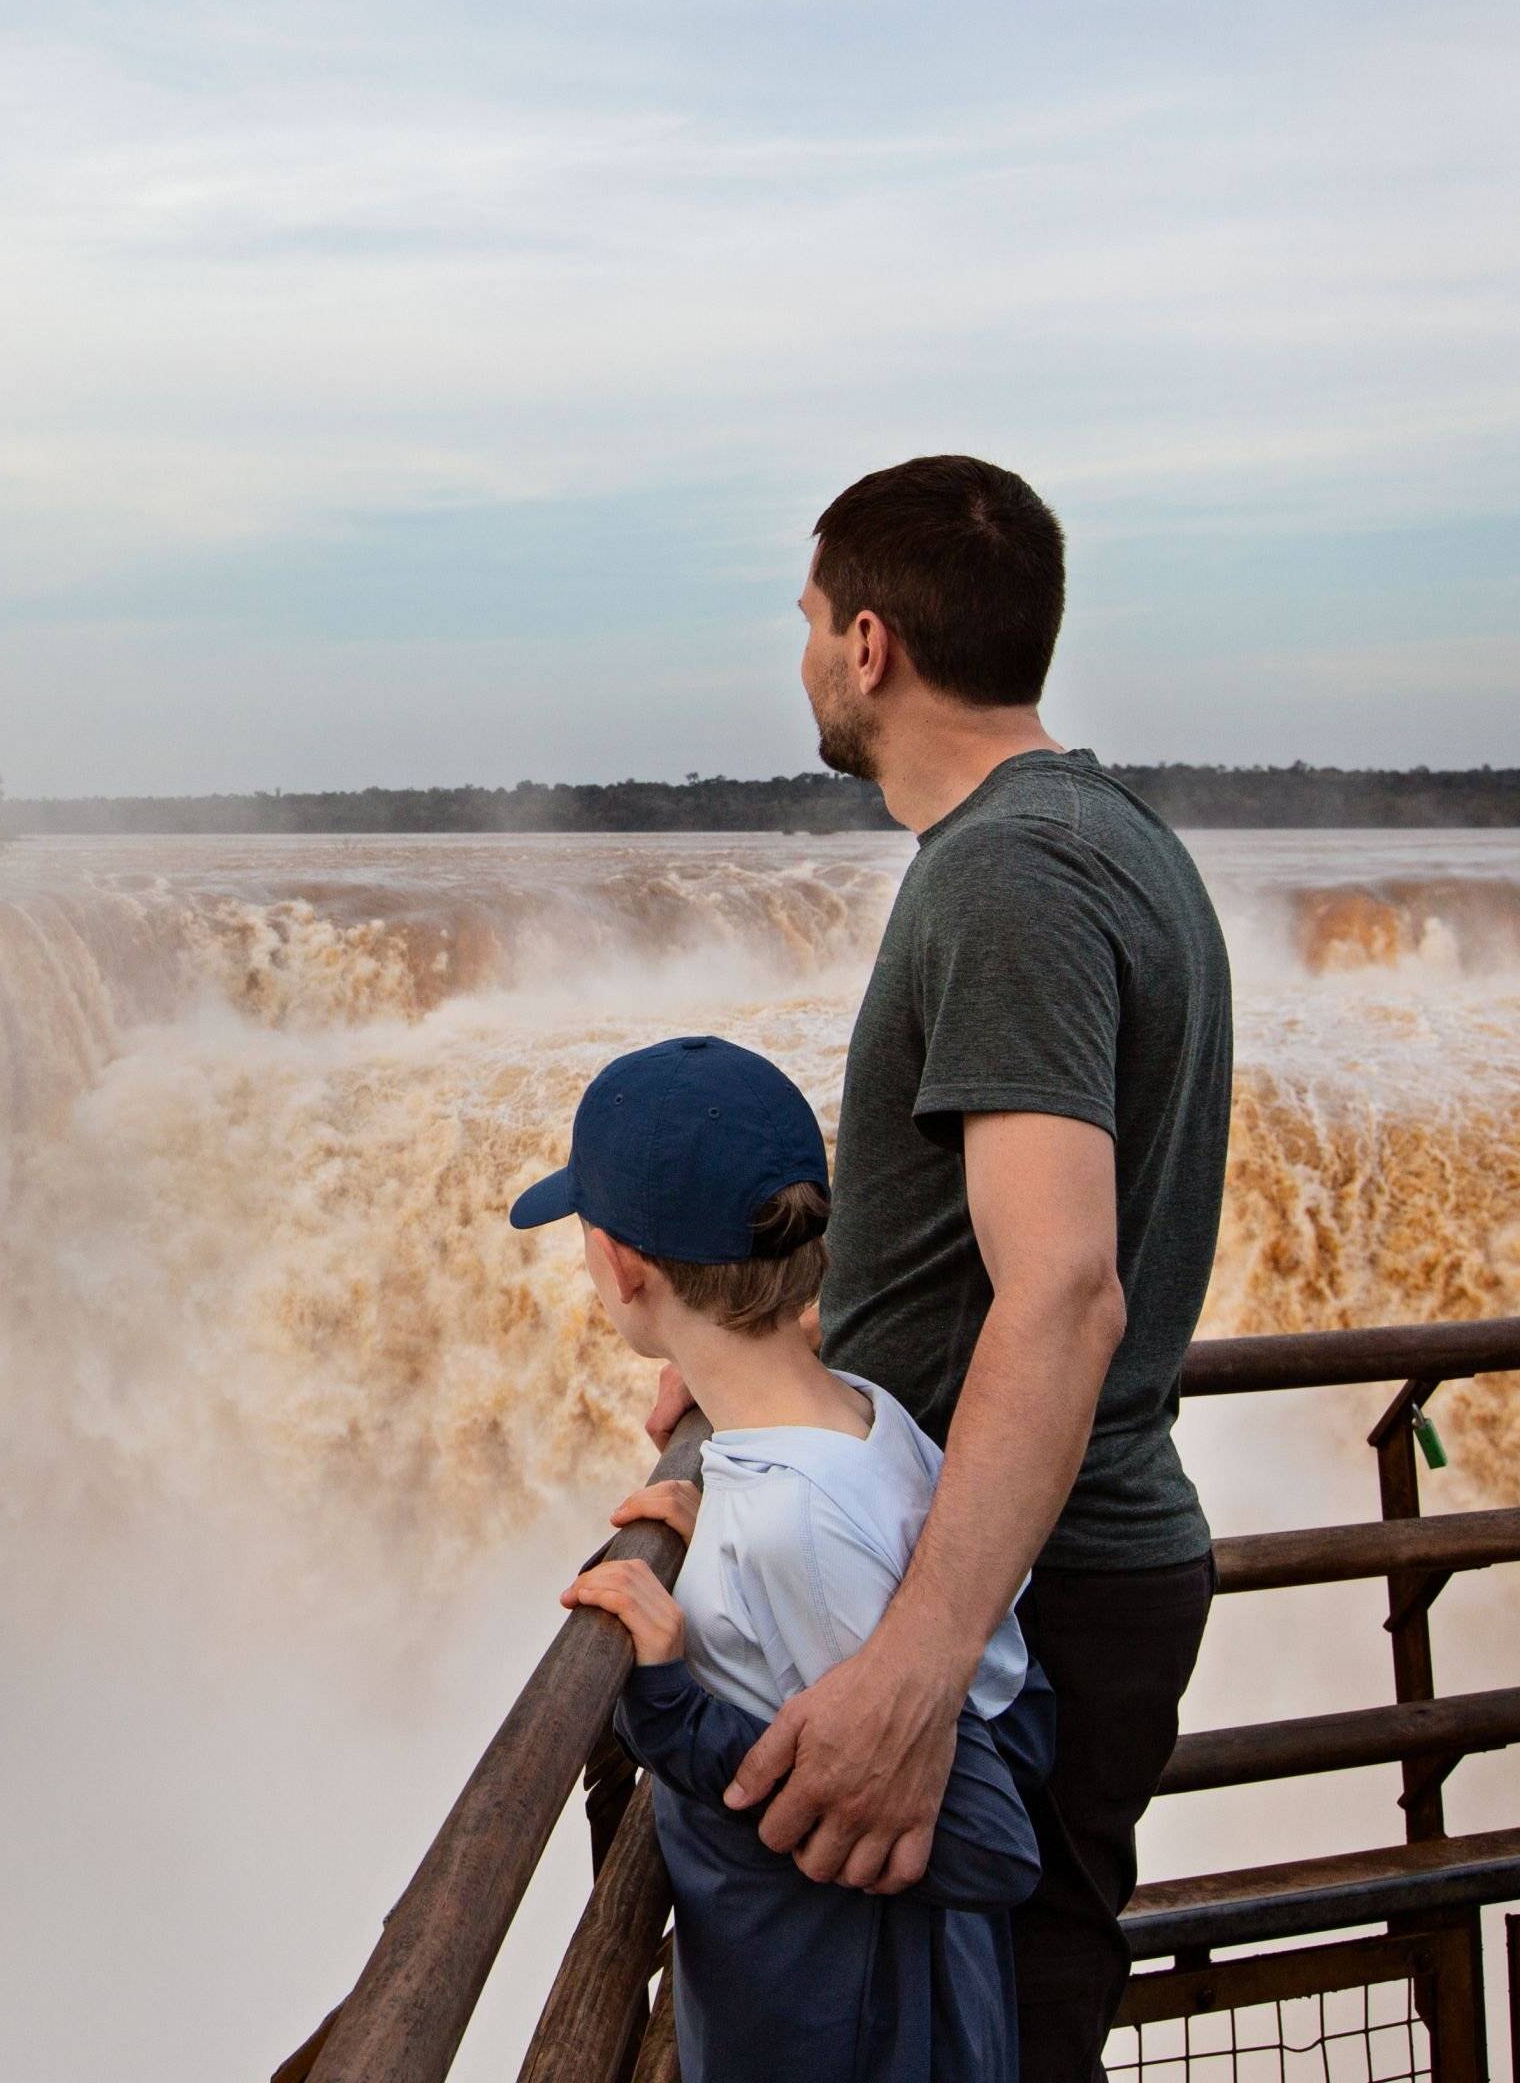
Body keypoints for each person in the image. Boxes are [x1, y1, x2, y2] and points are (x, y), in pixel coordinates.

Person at [643, 455, 1232, 2082]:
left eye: (809, 622)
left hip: (1023, 1582)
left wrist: (917, 1666)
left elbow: (1061, 1290)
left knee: (986, 2044)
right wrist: (755, 1364)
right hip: (1042, 1556)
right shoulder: (1096, 837)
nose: (807, 658)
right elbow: (976, 1258)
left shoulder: (1010, 876)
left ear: (872, 647)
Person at [522, 1034, 1054, 2083]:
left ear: (627, 1271)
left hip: (856, 2036)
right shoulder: (869, 1415)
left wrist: (675, 1709)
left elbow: (990, 1837)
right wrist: (709, 1522)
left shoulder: (793, 1528)